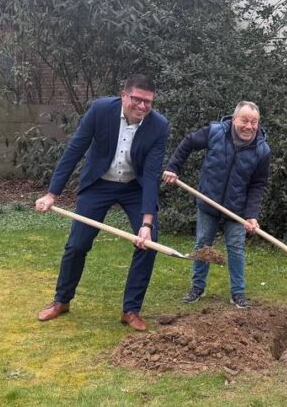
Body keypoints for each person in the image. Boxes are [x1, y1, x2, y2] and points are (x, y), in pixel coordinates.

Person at [34, 74, 170, 331]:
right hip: (99, 184)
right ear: (124, 95)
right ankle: (62, 301)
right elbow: (74, 150)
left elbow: (152, 175)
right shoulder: (100, 110)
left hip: (135, 187)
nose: (142, 107)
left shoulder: (159, 126)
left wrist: (147, 222)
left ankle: (131, 310)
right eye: (137, 100)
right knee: (77, 244)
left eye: (148, 102)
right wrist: (52, 194)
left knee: (149, 243)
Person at [162, 101, 270, 308]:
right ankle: (197, 288)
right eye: (244, 120)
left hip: (236, 209)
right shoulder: (215, 132)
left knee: (236, 249)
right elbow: (188, 142)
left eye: (254, 122)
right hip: (208, 201)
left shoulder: (262, 150)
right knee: (203, 244)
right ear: (234, 119)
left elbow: (258, 185)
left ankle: (238, 293)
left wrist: (251, 215)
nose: (249, 126)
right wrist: (173, 167)